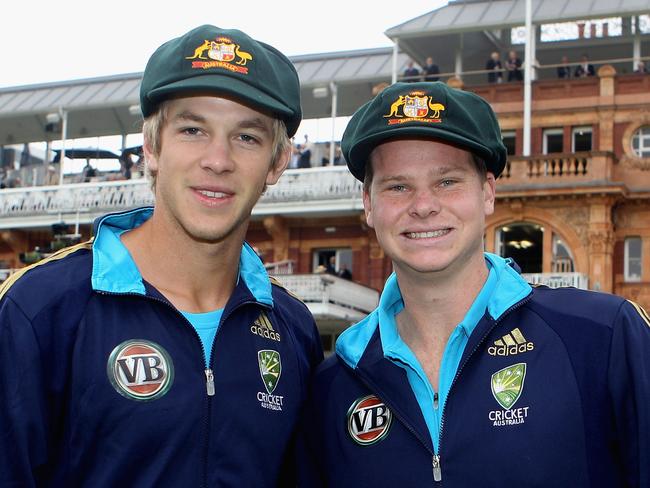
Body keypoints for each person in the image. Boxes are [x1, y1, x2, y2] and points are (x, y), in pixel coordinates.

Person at [0, 24, 323, 487]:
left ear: (277, 163)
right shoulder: (42, 309)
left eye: (246, 137)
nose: (218, 159)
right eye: (193, 129)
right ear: (151, 147)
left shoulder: (293, 329)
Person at [297, 81, 650, 487]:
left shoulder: (601, 338)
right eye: (398, 186)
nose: (424, 205)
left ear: (487, 192)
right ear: (368, 204)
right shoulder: (333, 384)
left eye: (447, 181)